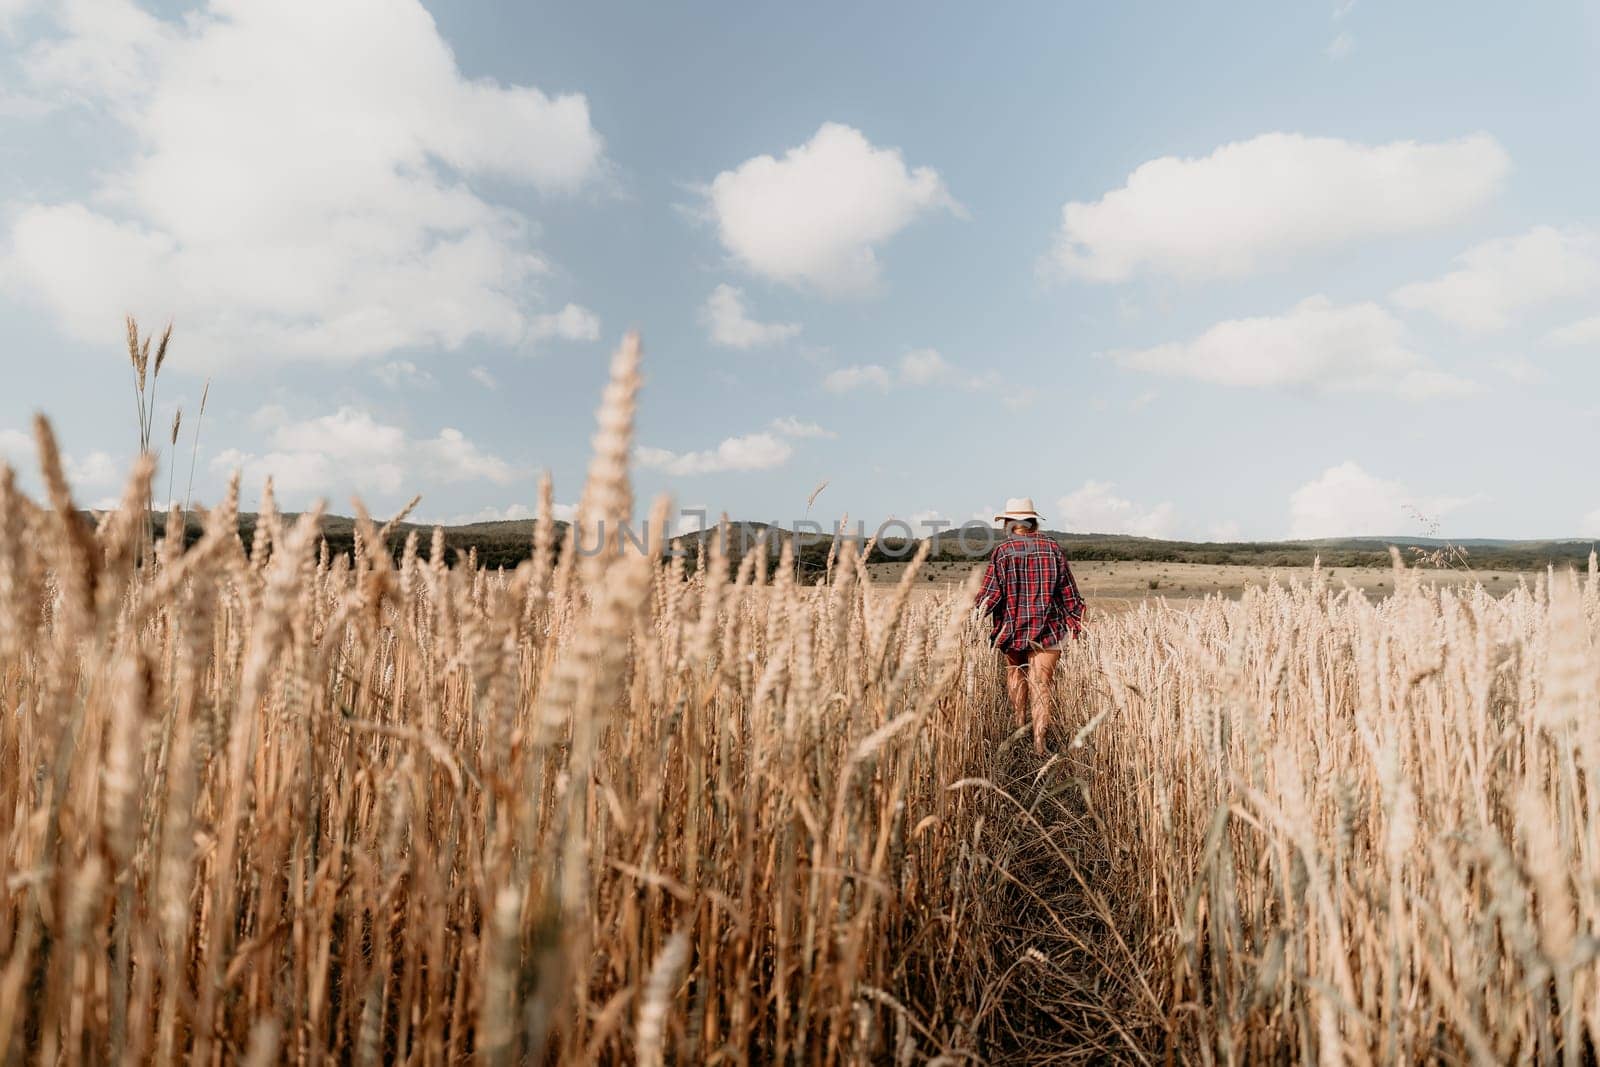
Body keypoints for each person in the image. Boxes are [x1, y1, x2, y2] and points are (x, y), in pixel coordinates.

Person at [977, 497, 1085, 755]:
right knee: (1042, 684)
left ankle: (1018, 727)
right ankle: (1039, 745)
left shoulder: (1002, 553)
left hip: (1012, 628)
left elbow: (990, 595)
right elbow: (1068, 592)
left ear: (1009, 523)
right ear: (1033, 521)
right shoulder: (1052, 548)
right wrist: (1077, 621)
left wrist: (972, 615)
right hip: (1049, 630)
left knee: (1016, 675)